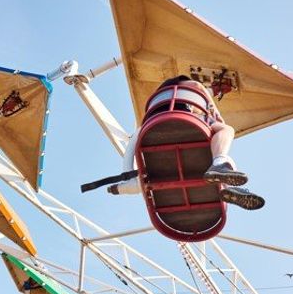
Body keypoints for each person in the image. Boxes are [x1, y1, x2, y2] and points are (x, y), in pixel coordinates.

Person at [108, 76, 264, 210]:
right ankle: (221, 169)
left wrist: (125, 184)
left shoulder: (144, 127)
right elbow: (197, 87)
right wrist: (215, 113)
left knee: (216, 156)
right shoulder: (180, 99)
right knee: (225, 130)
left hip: (162, 156)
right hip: (180, 124)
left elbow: (131, 150)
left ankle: (224, 179)